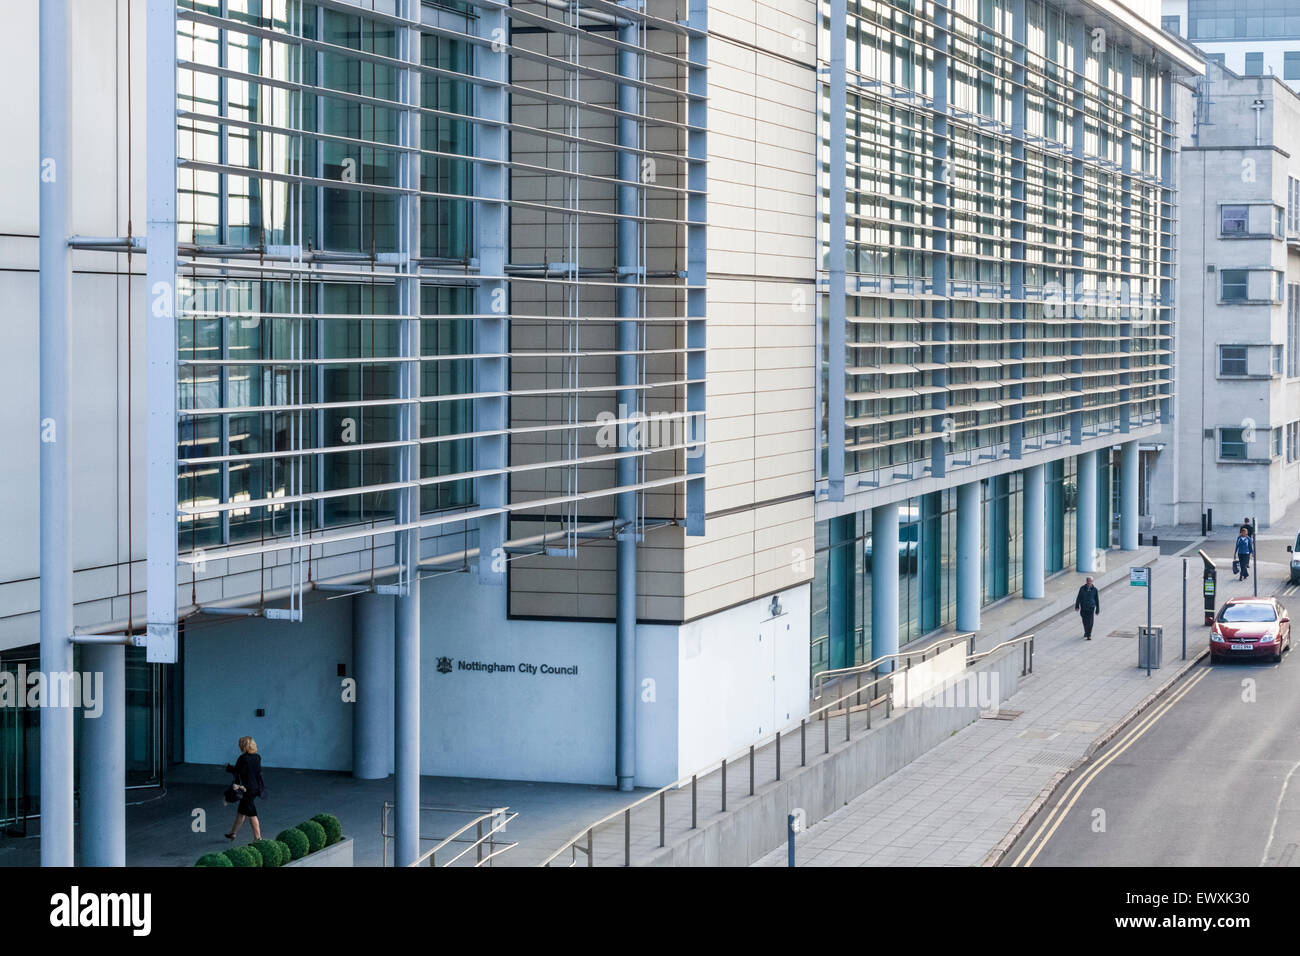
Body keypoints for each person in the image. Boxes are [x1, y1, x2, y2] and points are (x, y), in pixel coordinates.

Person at [224, 736, 265, 842]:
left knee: (252, 813)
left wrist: (228, 768)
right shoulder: (257, 757)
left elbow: (237, 771)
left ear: (243, 746)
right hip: (255, 788)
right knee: (241, 812)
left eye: (240, 744)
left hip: (246, 789)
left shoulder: (243, 758)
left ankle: (258, 838)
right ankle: (233, 833)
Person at [1074, 575, 1101, 640]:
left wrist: (1097, 609)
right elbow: (1078, 598)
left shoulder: (1095, 590)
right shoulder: (1082, 588)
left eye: (1090, 581)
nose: (1089, 582)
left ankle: (1089, 635)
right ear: (1086, 581)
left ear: (1092, 582)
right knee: (1085, 621)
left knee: (1090, 622)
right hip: (1083, 608)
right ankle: (1086, 632)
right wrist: (1077, 606)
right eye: (1088, 581)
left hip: (1091, 608)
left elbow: (1097, 600)